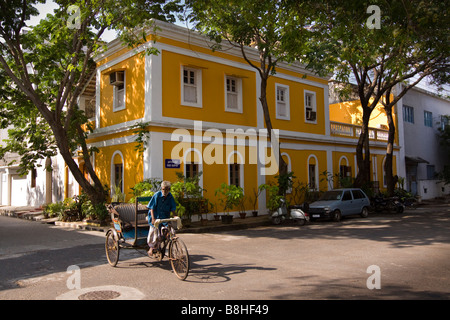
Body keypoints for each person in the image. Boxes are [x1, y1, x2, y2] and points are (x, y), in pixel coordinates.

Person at [147, 181, 177, 257]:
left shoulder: (170, 196)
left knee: (171, 232)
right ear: (161, 188)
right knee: (154, 235)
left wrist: (175, 216)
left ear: (169, 189)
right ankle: (151, 247)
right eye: (163, 189)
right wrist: (153, 219)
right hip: (155, 218)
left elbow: (173, 208)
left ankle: (164, 241)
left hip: (164, 218)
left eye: (166, 189)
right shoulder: (157, 195)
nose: (164, 191)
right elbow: (151, 208)